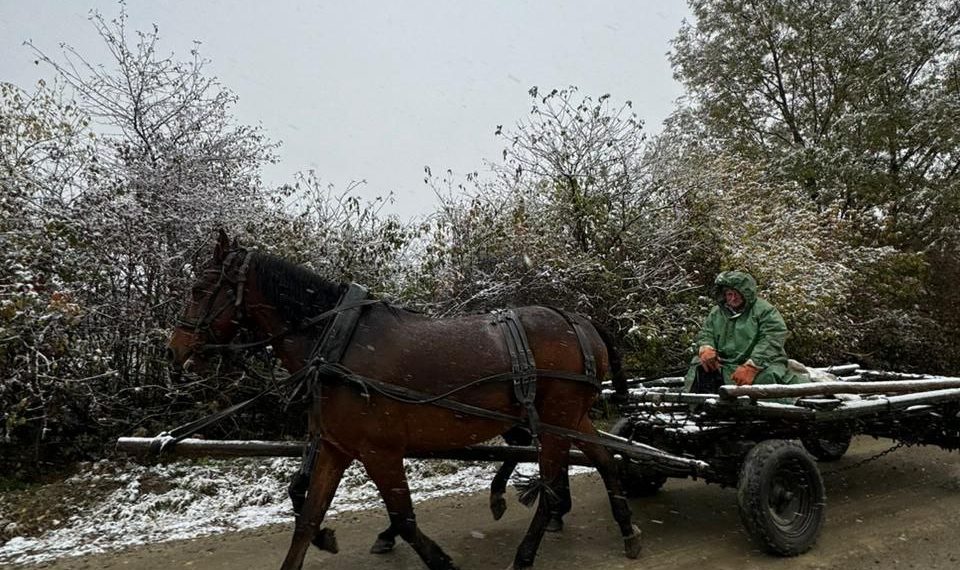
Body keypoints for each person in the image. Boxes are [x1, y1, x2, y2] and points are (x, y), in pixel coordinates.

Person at [684, 270, 803, 393]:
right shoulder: (716, 313)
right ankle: (698, 406)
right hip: (725, 364)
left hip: (762, 363)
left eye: (737, 294)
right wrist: (706, 348)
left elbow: (771, 339)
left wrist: (753, 365)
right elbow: (706, 332)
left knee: (767, 380)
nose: (733, 298)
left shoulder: (765, 311)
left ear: (746, 293)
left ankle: (762, 410)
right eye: (729, 294)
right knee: (698, 367)